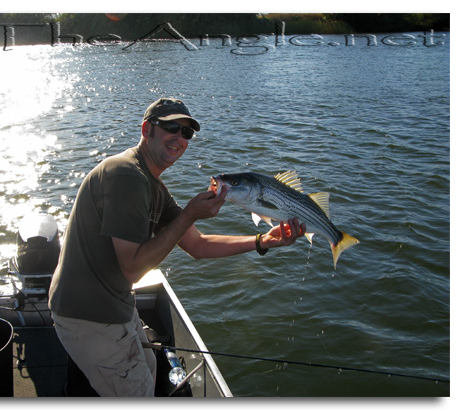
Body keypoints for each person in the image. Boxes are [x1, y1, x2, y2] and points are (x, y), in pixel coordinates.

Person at [48, 97, 306, 397]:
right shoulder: (126, 175)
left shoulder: (152, 186)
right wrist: (189, 214)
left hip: (114, 304)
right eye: (171, 128)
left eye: (187, 133)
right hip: (88, 314)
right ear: (146, 129)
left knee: (149, 368)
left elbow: (197, 244)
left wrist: (264, 241)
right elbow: (132, 268)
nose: (180, 138)